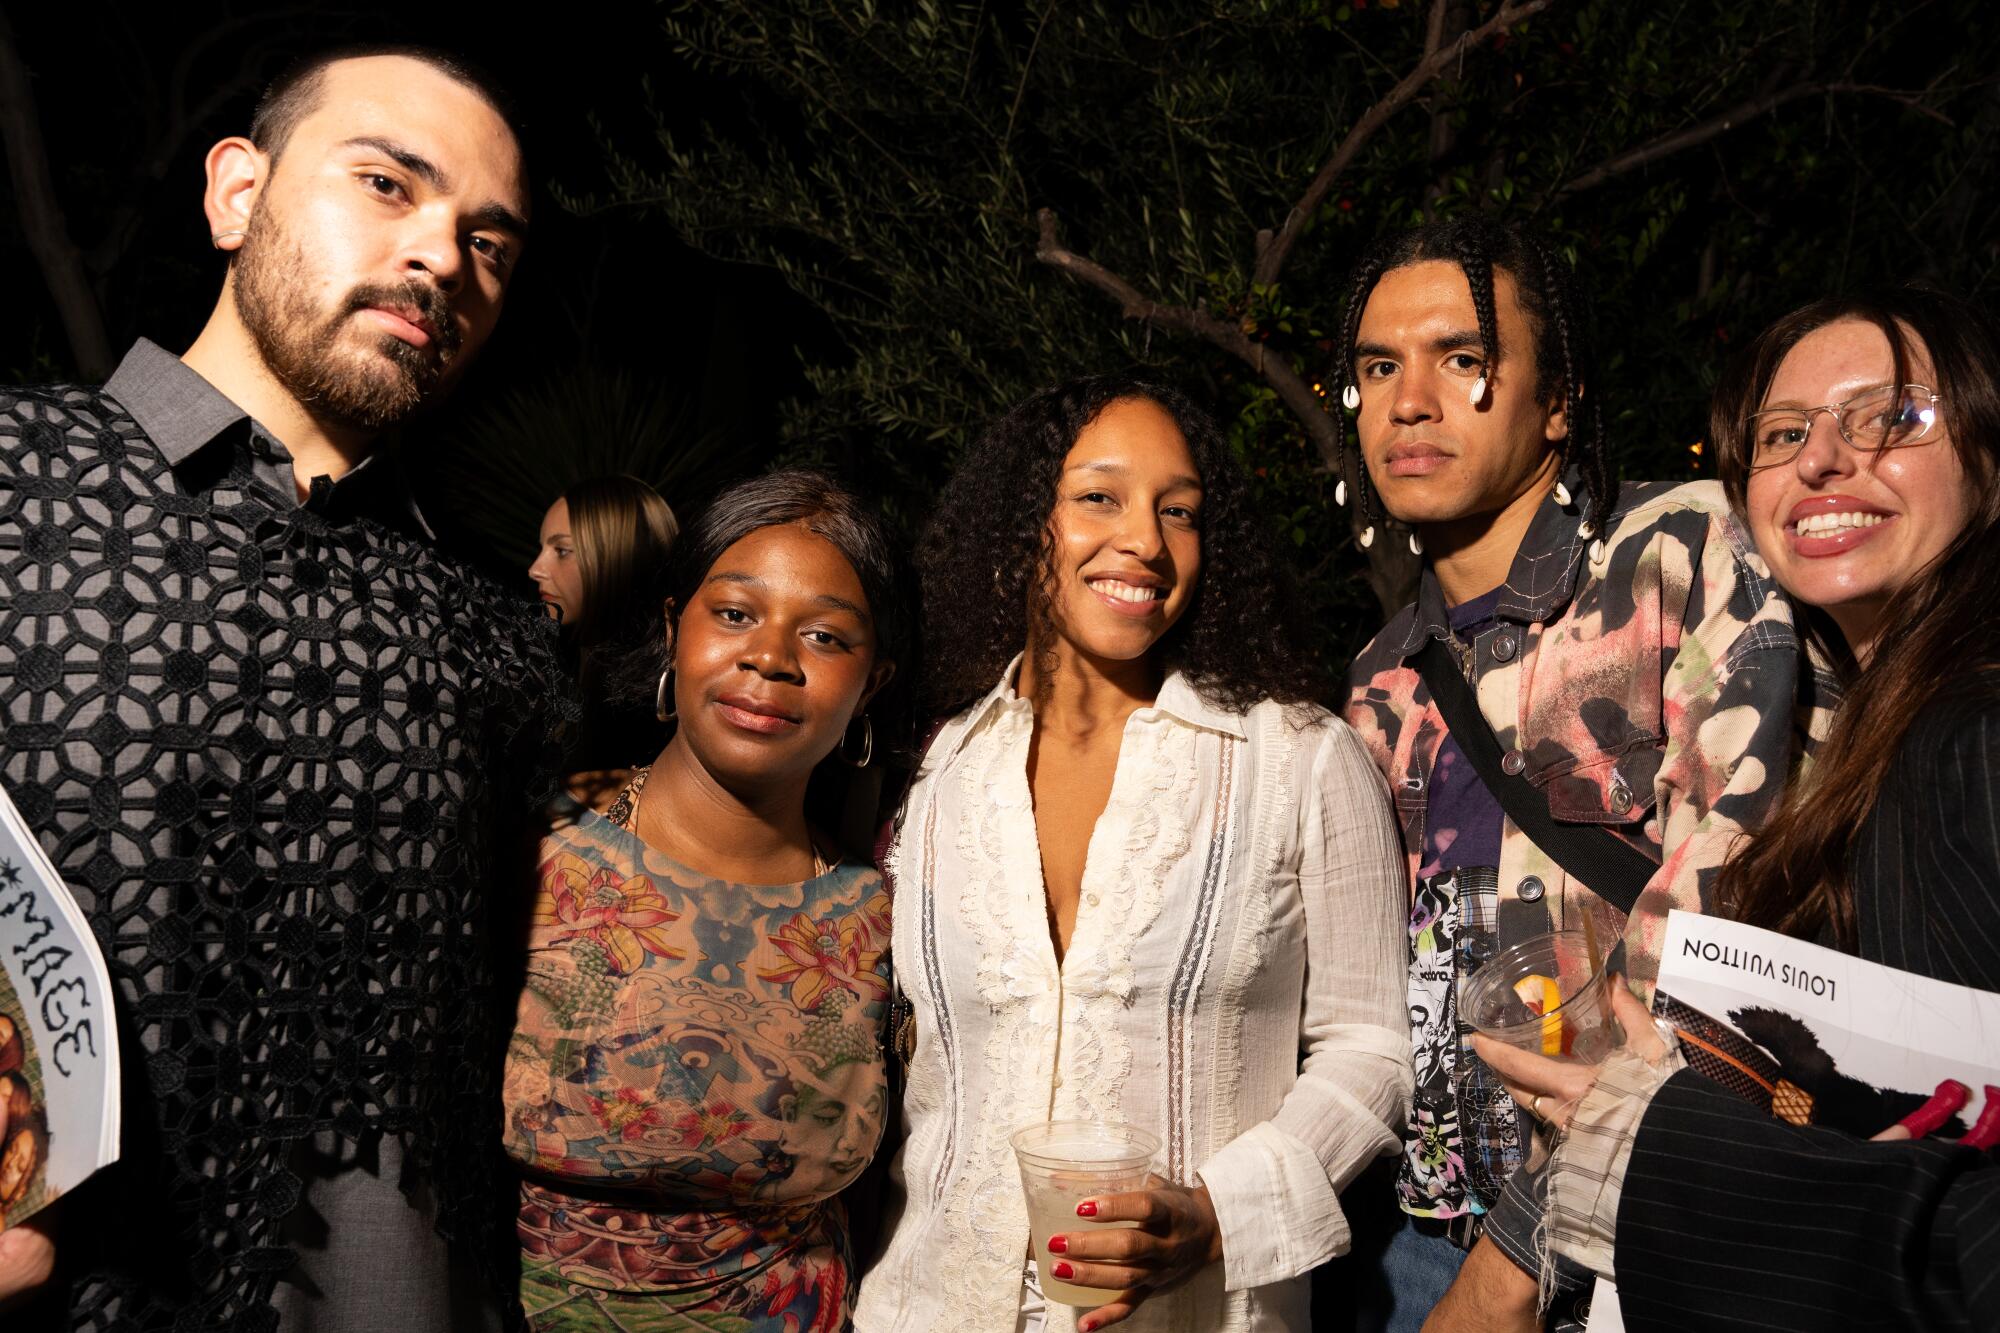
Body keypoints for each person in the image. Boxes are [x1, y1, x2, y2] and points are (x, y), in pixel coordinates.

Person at [0, 45, 567, 1331]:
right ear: (235, 195)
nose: (439, 258)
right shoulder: (14, 477)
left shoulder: (493, 624)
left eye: (489, 244)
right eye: (386, 184)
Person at [1325, 215, 1815, 1332]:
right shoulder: (1378, 678)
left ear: (1555, 404)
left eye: (1462, 360)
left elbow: (1734, 916)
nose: (1407, 400)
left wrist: (1507, 1270)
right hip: (1410, 1232)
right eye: (1375, 367)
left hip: (1627, 1232)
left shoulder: (1675, 554)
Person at [1481, 286, 2000, 1332]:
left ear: (1987, 453)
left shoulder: (1972, 732)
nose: (1821, 459)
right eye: (1781, 432)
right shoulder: (1887, 719)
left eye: (1889, 417)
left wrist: (1655, 1143)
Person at [852, 370, 1412, 1333]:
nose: (1146, 541)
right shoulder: (946, 768)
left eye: (1179, 512)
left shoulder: (1298, 759)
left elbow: (1375, 1048)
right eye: (1099, 497)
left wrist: (1219, 1210)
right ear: (1028, 520)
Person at [504, 469, 904, 1331]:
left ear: (871, 684)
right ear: (671, 628)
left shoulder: (885, 916)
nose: (769, 657)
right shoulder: (530, 854)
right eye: (734, 614)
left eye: (827, 637)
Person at [529, 475, 681, 773]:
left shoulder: (640, 698)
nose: (536, 569)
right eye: (542, 548)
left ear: (617, 555)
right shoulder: (579, 657)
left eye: (562, 551)